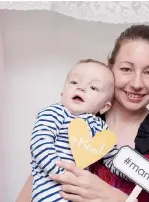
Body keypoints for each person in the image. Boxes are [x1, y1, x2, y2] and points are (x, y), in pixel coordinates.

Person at [17, 25, 149, 202]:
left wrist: (116, 198)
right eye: (126, 69)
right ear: (110, 67)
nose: (137, 83)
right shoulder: (76, 117)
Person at [30, 59, 121, 202]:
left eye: (93, 88)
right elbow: (40, 144)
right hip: (50, 192)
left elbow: (112, 158)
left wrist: (133, 171)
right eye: (74, 82)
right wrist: (65, 175)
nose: (81, 88)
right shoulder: (54, 113)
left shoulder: (100, 127)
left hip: (80, 195)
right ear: (62, 92)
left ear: (105, 107)